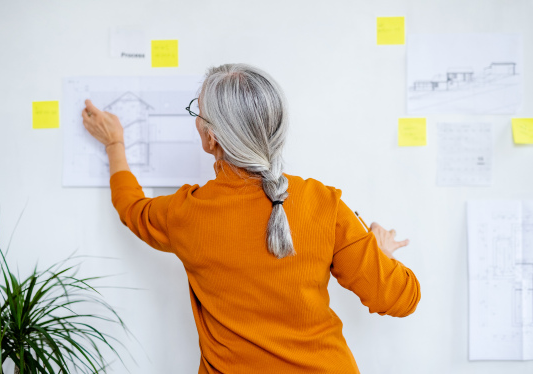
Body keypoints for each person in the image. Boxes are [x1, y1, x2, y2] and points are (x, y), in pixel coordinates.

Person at [82, 63, 420, 373]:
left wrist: (114, 143)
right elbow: (399, 299)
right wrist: (378, 253)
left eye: (197, 113)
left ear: (210, 137)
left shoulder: (185, 213)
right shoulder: (322, 203)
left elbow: (132, 208)